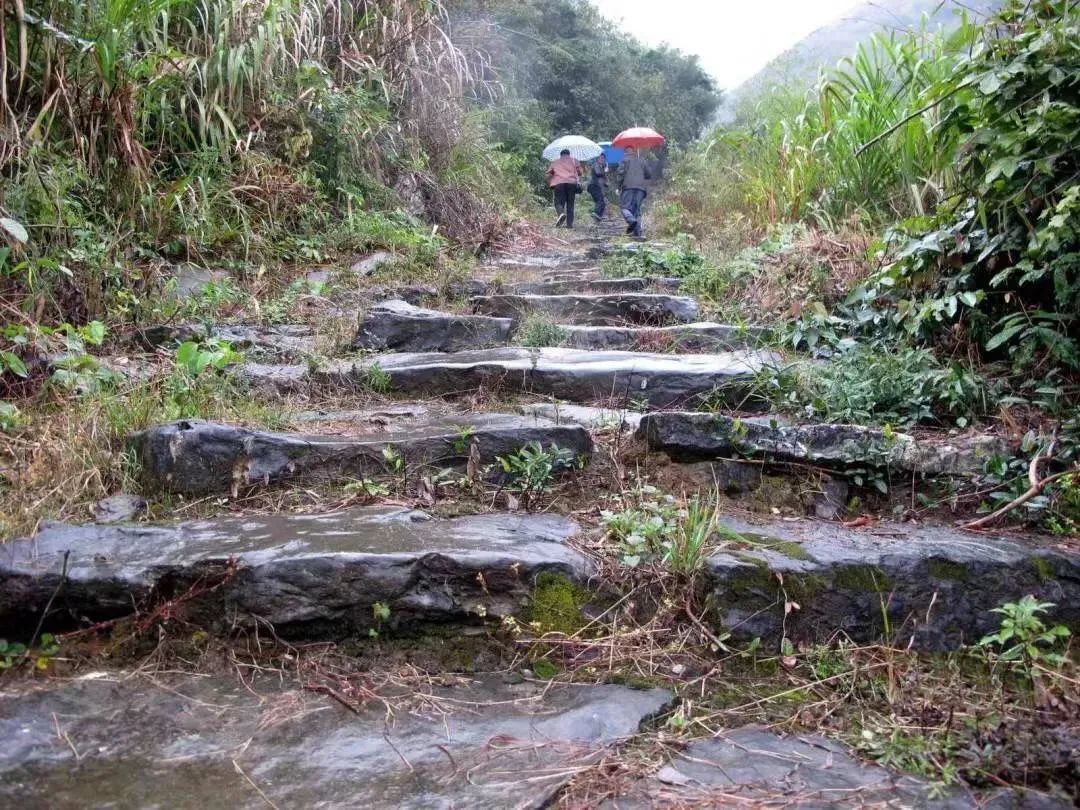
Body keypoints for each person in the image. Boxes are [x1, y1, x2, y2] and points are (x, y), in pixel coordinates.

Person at [618, 146, 652, 237]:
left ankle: (631, 221)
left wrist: (618, 187)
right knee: (637, 210)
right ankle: (638, 233)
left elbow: (620, 175)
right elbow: (649, 175)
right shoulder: (641, 160)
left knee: (625, 208)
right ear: (633, 151)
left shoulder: (624, 160)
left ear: (626, 152)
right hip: (641, 189)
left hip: (628, 187)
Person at [546, 148, 581, 228]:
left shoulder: (555, 162)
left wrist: (550, 183)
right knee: (570, 204)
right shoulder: (574, 160)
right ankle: (569, 225)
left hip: (559, 183)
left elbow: (548, 175)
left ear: (561, 155)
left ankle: (561, 213)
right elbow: (580, 172)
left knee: (558, 202)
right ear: (569, 154)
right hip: (571, 184)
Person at [587, 153, 608, 221]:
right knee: (600, 200)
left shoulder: (601, 166)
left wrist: (606, 183)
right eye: (600, 158)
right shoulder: (596, 165)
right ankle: (596, 213)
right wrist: (605, 171)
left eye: (603, 158)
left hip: (597, 186)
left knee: (602, 203)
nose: (602, 159)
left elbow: (602, 179)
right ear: (597, 159)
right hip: (593, 186)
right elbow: (598, 173)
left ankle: (598, 218)